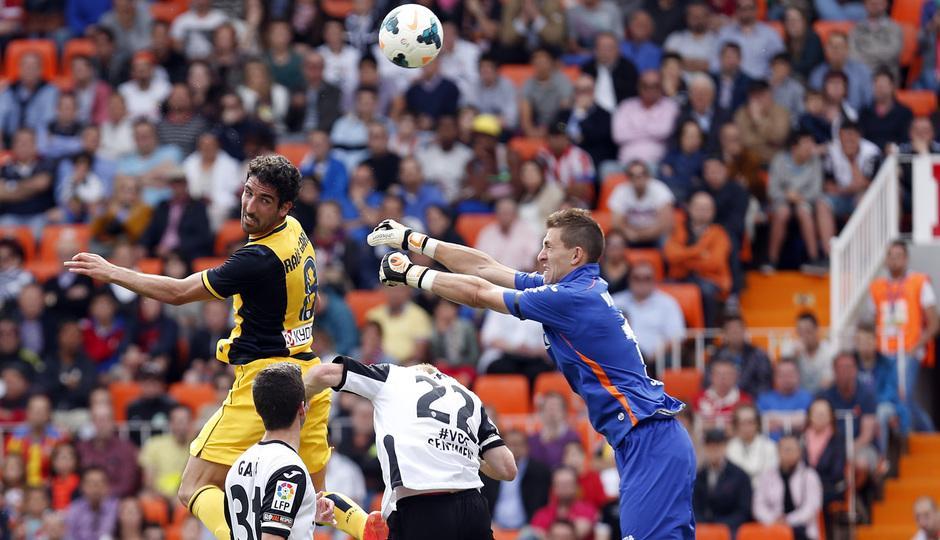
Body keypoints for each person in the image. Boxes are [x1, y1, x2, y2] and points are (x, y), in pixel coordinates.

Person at [64, 155, 382, 540]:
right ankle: (367, 526)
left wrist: (113, 271)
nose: (250, 206)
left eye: (264, 200)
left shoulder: (258, 258)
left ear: (284, 207)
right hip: (309, 373)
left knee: (192, 486)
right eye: (248, 193)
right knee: (315, 498)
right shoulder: (296, 230)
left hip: (267, 383)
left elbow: (179, 292)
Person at [366, 208, 695, 538]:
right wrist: (413, 240)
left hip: (647, 440)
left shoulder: (569, 297)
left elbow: (479, 293)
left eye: (549, 246)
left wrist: (412, 275)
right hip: (649, 438)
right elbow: (486, 268)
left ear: (575, 255)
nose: (540, 255)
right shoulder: (577, 288)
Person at [302, 358, 518, 539]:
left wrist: (296, 405)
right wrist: (471, 457)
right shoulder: (469, 396)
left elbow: (323, 373)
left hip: (421, 507)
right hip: (473, 508)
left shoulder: (395, 376)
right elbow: (507, 469)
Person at [224, 363, 336, 540]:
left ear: (259, 411)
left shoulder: (238, 465)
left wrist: (304, 512)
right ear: (302, 409)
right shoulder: (289, 472)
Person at [868, 240, 939, 432]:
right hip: (883, 353)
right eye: (890, 256)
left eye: (898, 256)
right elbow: (873, 321)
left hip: (908, 350)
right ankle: (924, 435)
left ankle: (920, 437)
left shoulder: (919, 282)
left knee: (903, 395)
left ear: (906, 258)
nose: (894, 260)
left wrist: (916, 347)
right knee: (887, 399)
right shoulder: (877, 287)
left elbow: (934, 322)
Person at [765, 130, 833, 274]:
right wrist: (787, 196)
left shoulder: (815, 161)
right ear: (794, 147)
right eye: (806, 143)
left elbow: (816, 190)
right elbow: (772, 190)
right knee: (782, 212)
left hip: (805, 201)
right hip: (782, 199)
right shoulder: (779, 160)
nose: (810, 147)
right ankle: (771, 260)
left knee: (803, 211)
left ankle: (814, 258)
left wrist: (799, 198)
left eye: (811, 143)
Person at [663, 191, 732, 327]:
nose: (702, 211)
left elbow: (714, 263)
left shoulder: (719, 233)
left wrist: (683, 259)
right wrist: (699, 251)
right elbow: (670, 255)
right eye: (699, 207)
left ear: (713, 212)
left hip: (710, 279)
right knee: (661, 290)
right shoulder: (678, 229)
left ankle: (707, 335)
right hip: (679, 277)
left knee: (706, 291)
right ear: (690, 208)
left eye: (706, 208)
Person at [751, 434, 823, 540]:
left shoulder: (809, 475)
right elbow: (758, 505)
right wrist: (772, 520)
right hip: (773, 528)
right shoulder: (767, 475)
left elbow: (811, 507)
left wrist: (788, 521)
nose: (789, 453)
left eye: (793, 450)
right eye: (786, 450)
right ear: (778, 452)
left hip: (802, 530)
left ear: (800, 452)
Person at [613, 262, 686, 364]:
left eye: (647, 278)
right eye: (637, 278)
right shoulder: (615, 302)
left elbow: (676, 337)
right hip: (620, 358)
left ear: (655, 280)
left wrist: (654, 357)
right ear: (629, 280)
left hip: (657, 361)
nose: (642, 282)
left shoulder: (667, 303)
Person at [693, 429, 752, 535]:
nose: (714, 451)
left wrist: (720, 525)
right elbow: (694, 507)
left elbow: (744, 510)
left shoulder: (739, 475)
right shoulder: (699, 475)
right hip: (704, 530)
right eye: (710, 447)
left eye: (718, 446)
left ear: (725, 447)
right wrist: (704, 524)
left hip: (731, 530)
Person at [608, 160, 675, 248]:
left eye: (641, 174)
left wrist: (644, 235)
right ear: (628, 178)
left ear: (648, 176)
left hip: (655, 235)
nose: (637, 178)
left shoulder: (660, 189)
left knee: (666, 240)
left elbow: (666, 223)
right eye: (633, 175)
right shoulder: (621, 191)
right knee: (614, 240)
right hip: (630, 235)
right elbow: (616, 223)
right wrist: (629, 232)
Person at [756, 358, 813, 440]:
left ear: (798, 375)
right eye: (782, 375)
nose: (786, 379)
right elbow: (759, 424)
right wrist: (794, 421)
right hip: (769, 445)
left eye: (790, 374)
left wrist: (777, 421)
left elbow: (807, 423)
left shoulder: (808, 398)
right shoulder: (764, 400)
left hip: (800, 444)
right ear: (774, 377)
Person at [725, 404, 778, 487]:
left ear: (757, 424)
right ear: (736, 425)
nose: (747, 427)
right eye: (742, 423)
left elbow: (771, 476)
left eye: (750, 422)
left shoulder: (770, 446)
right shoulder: (729, 448)